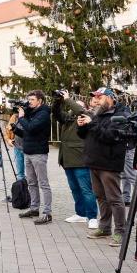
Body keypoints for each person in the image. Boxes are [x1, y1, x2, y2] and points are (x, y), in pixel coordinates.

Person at [76, 87, 128, 246]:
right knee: (100, 196)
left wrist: (91, 124)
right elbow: (84, 135)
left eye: (100, 97)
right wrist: (82, 126)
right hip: (94, 162)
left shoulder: (121, 115)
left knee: (114, 198)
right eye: (94, 97)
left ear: (111, 98)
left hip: (109, 163)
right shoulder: (97, 114)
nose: (96, 100)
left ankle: (120, 231)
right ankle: (105, 227)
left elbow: (111, 136)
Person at [53, 90, 99, 229]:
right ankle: (80, 214)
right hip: (67, 160)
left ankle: (92, 217)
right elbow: (55, 113)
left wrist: (68, 99)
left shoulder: (88, 115)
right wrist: (58, 100)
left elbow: (79, 110)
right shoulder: (68, 119)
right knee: (75, 189)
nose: (73, 108)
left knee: (86, 189)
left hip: (80, 160)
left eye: (75, 105)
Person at [15, 90, 53, 225]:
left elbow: (30, 127)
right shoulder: (31, 113)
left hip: (39, 153)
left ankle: (47, 213)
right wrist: (15, 128)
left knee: (43, 183)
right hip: (28, 152)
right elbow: (27, 133)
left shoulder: (43, 114)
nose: (29, 102)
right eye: (28, 99)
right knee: (31, 182)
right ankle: (34, 208)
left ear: (40, 100)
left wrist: (21, 117)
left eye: (32, 100)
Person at [6, 114, 25, 180]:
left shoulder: (32, 115)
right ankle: (21, 189)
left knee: (30, 173)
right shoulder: (15, 116)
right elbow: (8, 129)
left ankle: (30, 189)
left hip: (28, 149)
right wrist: (9, 140)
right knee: (20, 174)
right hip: (17, 148)